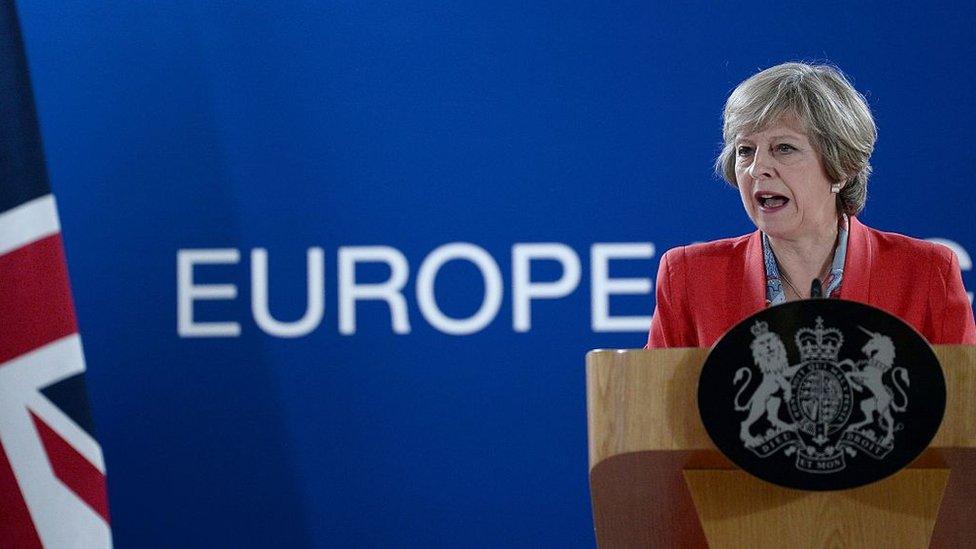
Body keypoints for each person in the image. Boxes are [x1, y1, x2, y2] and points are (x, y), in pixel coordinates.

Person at [646, 62, 976, 348]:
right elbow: (654, 413)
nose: (757, 168)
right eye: (745, 150)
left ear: (842, 167)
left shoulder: (927, 273)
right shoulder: (690, 277)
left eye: (784, 148)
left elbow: (964, 409)